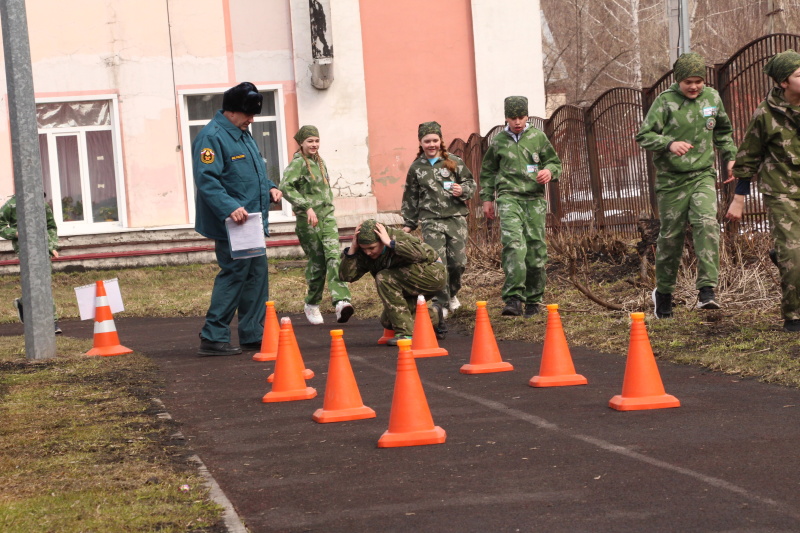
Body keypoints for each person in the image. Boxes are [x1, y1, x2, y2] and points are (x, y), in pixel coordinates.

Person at [636, 52, 737, 319]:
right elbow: (644, 135)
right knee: (672, 237)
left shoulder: (712, 98)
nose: (694, 87)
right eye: (688, 82)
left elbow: (723, 131)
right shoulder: (665, 102)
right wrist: (669, 143)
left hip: (703, 174)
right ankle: (664, 293)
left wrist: (730, 157)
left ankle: (706, 290)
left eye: (698, 81)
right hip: (672, 180)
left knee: (707, 223)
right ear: (678, 81)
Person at [193, 82, 282, 356]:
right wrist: (229, 207)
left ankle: (253, 333)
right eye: (248, 114)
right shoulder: (212, 137)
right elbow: (207, 180)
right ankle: (213, 336)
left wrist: (270, 187)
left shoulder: (243, 134)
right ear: (231, 111)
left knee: (256, 276)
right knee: (234, 275)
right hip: (233, 224)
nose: (251, 120)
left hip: (251, 220)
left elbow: (254, 169)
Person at [725, 50, 800, 333]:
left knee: (794, 255)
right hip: (782, 190)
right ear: (783, 82)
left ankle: (782, 255)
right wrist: (739, 199)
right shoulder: (765, 114)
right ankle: (794, 316)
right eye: (799, 75)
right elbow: (748, 157)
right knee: (794, 254)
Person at [479, 96, 562, 318]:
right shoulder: (498, 141)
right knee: (514, 245)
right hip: (508, 198)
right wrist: (487, 199)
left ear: (527, 116)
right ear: (506, 118)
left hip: (534, 199)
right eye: (513, 117)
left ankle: (534, 299)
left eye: (521, 117)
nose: (517, 122)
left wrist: (549, 171)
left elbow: (554, 162)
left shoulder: (538, 137)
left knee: (535, 249)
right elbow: (488, 171)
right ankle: (514, 298)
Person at [279, 125, 354, 325]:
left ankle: (341, 302)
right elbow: (285, 187)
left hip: (327, 217)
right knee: (318, 263)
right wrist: (306, 207)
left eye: (317, 141)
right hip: (308, 221)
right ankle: (312, 303)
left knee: (334, 256)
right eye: (310, 141)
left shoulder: (320, 162)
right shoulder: (298, 163)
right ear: (301, 143)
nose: (314, 144)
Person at [401, 121, 475, 322]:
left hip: (455, 218)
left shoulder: (453, 161)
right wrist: (409, 222)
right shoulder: (416, 168)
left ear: (440, 140)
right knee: (438, 263)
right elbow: (410, 196)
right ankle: (440, 303)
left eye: (435, 140)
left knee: (458, 263)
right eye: (427, 141)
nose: (431, 144)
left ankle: (452, 293)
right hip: (431, 221)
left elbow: (470, 182)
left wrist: (463, 190)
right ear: (421, 142)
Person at [339, 219, 446, 345]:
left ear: (381, 240)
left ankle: (406, 334)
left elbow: (420, 255)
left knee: (384, 277)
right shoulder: (364, 253)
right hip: (404, 283)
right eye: (364, 249)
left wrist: (391, 243)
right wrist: (352, 249)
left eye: (372, 248)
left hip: (432, 275)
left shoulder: (397, 236)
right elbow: (346, 276)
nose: (368, 252)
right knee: (388, 321)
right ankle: (435, 314)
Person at [0, 194, 61, 334]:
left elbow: (51, 226)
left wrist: (52, 246)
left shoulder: (41, 203)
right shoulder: (12, 204)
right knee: (34, 283)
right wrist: (16, 233)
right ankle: (50, 321)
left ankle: (49, 320)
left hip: (43, 248)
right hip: (25, 249)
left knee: (44, 283)